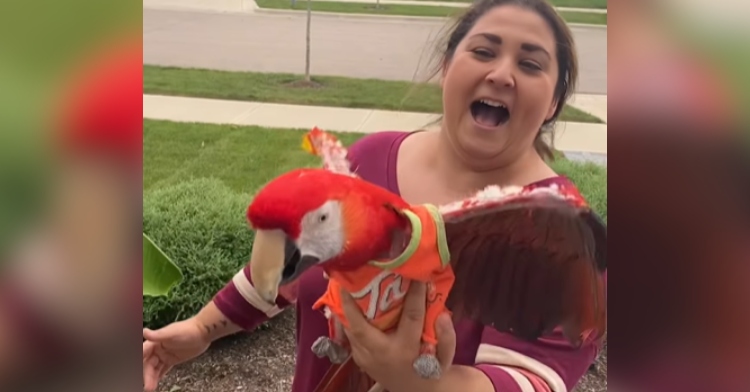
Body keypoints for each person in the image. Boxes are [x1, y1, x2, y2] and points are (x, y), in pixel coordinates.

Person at [142, 0, 607, 391]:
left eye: (530, 64)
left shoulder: (562, 237)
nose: (502, 74)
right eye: (484, 51)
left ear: (552, 102)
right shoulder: (370, 159)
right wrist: (203, 328)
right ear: (447, 68)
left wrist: (419, 384)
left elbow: (533, 381)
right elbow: (289, 266)